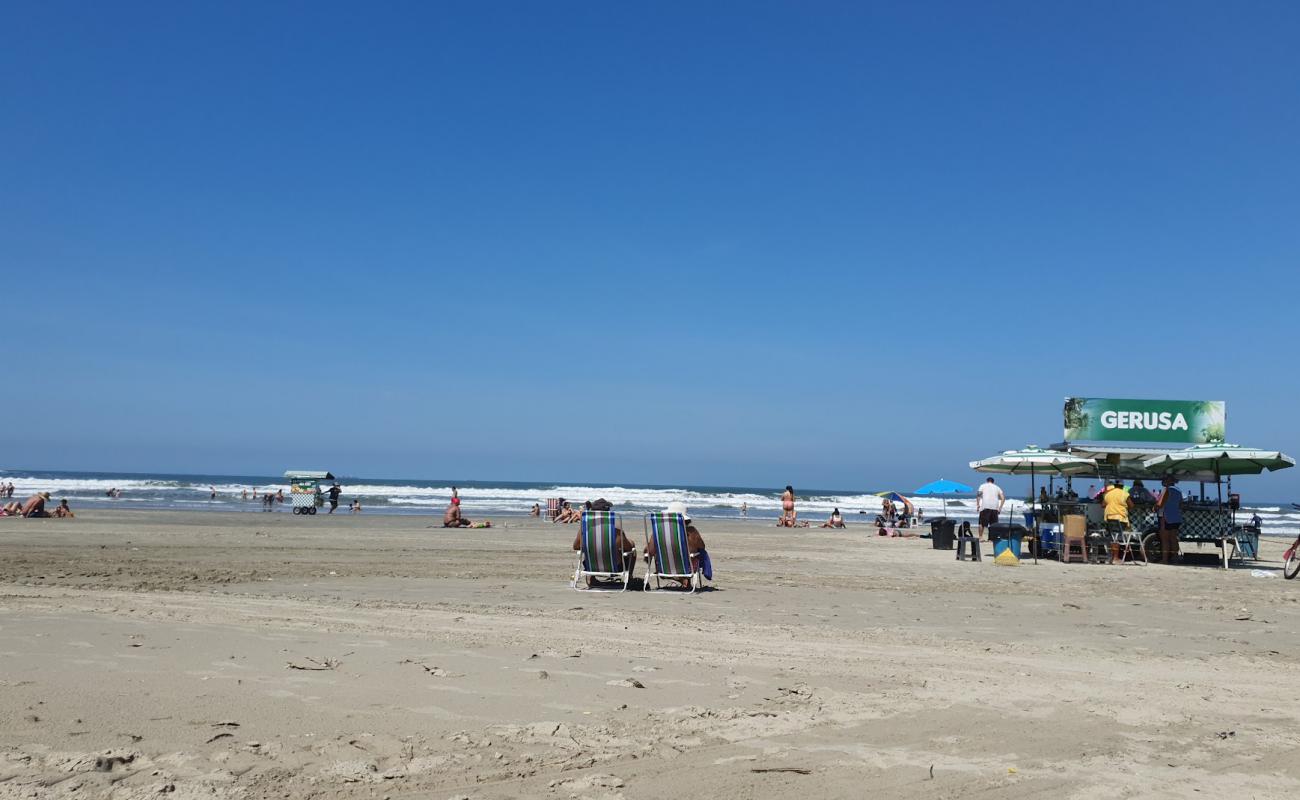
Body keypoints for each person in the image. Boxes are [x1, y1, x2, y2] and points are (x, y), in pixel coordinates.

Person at [645, 502, 710, 587]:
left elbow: (650, 551)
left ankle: (680, 579)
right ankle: (684, 578)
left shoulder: (657, 533)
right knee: (701, 553)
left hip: (663, 569)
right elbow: (702, 546)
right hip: (686, 569)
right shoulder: (691, 531)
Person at [1154, 477, 1182, 564]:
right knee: (1173, 538)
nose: (1162, 481)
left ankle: (1165, 559)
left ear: (1168, 481)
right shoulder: (1178, 491)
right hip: (1176, 517)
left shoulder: (1166, 490)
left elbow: (1160, 504)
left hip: (1166, 517)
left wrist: (1154, 507)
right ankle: (1175, 558)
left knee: (1165, 539)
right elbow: (1180, 504)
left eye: (1164, 480)